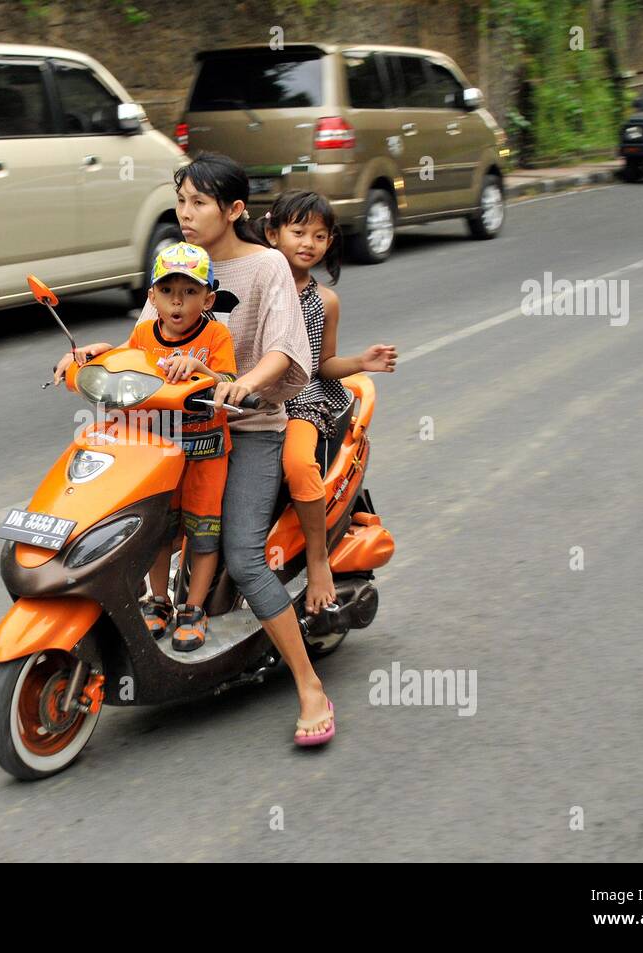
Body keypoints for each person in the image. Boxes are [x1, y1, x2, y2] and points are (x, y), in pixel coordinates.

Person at [57, 152, 334, 746]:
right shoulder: (175, 265)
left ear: (234, 211)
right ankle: (158, 616)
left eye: (199, 203)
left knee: (243, 550)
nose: (185, 213)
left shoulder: (266, 269)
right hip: (175, 429)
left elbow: (289, 351)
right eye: (180, 200)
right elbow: (143, 338)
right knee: (141, 523)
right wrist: (94, 357)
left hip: (251, 427)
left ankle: (310, 686)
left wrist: (245, 384)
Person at [57, 242, 236, 651]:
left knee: (204, 530)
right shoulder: (142, 333)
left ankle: (193, 608)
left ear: (208, 298)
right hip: (155, 454)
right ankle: (158, 600)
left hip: (205, 451)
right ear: (151, 296)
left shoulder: (216, 335)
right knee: (158, 529)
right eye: (168, 290)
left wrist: (199, 367)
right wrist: (90, 356)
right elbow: (125, 363)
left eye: (190, 292)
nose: (178, 301)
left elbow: (229, 381)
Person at [262, 190, 397, 615]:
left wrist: (361, 362)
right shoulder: (253, 286)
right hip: (247, 396)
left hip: (301, 400)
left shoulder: (325, 301)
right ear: (272, 234)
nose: (308, 243)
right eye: (298, 232)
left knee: (300, 466)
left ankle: (318, 561)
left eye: (319, 236)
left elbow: (323, 365)